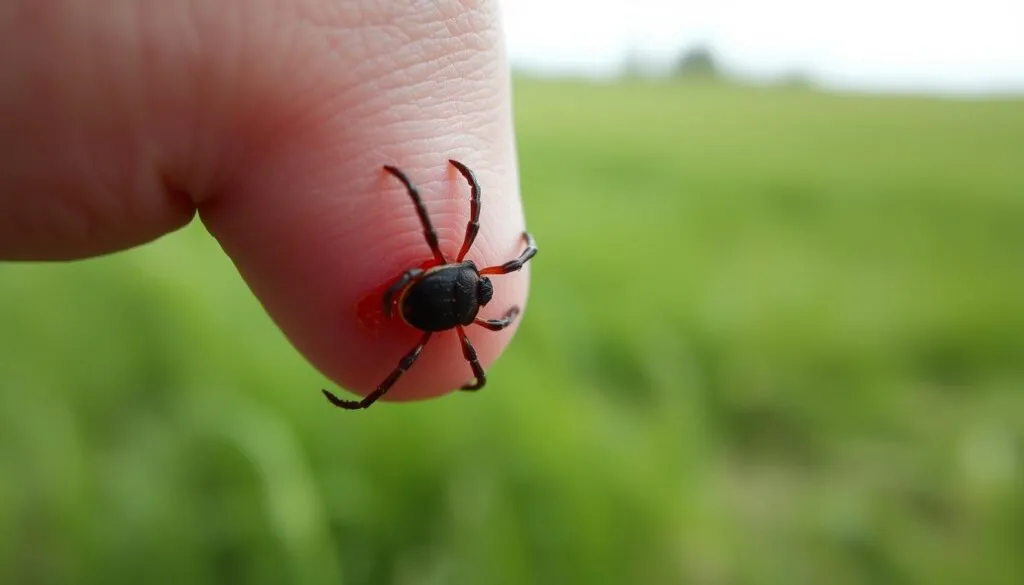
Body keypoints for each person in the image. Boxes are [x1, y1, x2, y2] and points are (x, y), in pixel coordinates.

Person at [0, 1, 531, 405]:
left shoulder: (462, 271)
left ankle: (366, 393)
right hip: (417, 302)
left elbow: (463, 216)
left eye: (488, 290)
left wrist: (425, 190)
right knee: (422, 348)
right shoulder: (471, 317)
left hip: (418, 296)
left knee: (433, 262)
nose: (488, 285)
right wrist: (489, 330)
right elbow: (480, 329)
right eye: (491, 288)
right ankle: (367, 396)